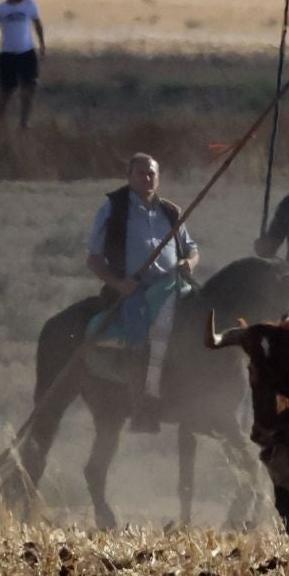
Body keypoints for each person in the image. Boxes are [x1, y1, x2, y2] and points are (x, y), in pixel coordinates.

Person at [84, 154, 197, 433]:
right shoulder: (114, 209)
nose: (147, 179)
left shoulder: (170, 211)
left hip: (172, 285)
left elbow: (192, 248)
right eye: (141, 174)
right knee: (139, 337)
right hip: (134, 289)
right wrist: (118, 283)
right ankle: (142, 407)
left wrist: (188, 263)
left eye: (152, 174)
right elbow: (94, 259)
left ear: (158, 177)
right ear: (129, 176)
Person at [0, 0, 45, 128]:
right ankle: (0, 122)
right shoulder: (0, 8)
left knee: (30, 86)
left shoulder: (30, 6)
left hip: (27, 52)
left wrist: (42, 45)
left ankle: (24, 121)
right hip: (7, 53)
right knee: (6, 91)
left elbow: (37, 25)